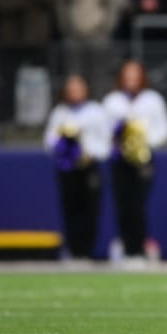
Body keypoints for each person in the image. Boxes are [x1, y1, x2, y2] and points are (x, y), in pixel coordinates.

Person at [102, 60, 167, 266]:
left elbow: (165, 129)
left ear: (142, 77)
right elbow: (103, 130)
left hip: (143, 159)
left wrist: (144, 141)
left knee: (138, 205)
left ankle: (139, 250)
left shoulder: (153, 99)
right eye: (128, 75)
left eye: (135, 75)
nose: (131, 79)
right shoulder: (112, 101)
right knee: (122, 205)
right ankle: (126, 248)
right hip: (119, 159)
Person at [43, 75, 110, 260]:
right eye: (71, 89)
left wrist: (89, 151)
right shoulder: (60, 112)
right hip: (67, 168)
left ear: (85, 90)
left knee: (90, 210)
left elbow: (106, 141)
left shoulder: (96, 111)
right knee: (70, 209)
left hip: (89, 167)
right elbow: (49, 141)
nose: (75, 93)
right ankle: (73, 250)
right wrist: (63, 144)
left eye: (78, 88)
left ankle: (87, 251)